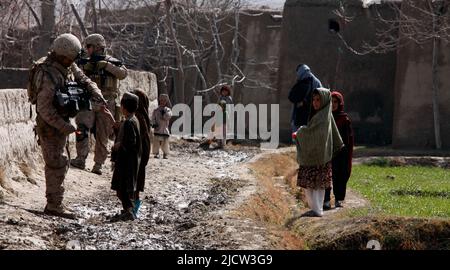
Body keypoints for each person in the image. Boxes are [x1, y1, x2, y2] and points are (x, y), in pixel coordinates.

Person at [31, 33, 106, 219]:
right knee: (56, 163)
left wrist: (94, 91)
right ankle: (54, 205)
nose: (72, 61)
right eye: (70, 58)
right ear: (62, 55)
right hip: (50, 125)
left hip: (61, 120)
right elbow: (44, 109)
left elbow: (82, 77)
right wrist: (66, 127)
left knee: (62, 161)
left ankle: (56, 202)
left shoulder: (66, 63)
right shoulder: (47, 73)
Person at [71, 33, 128, 175]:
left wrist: (107, 66)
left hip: (106, 102)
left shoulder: (112, 62)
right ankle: (80, 159)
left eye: (89, 46)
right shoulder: (85, 62)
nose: (87, 49)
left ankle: (98, 164)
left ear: (97, 47)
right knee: (82, 130)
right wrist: (86, 67)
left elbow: (123, 74)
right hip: (88, 101)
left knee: (102, 134)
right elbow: (77, 76)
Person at [294, 88, 343, 217]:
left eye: (318, 100)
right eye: (314, 100)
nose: (315, 103)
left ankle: (317, 209)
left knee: (318, 186)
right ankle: (315, 208)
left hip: (320, 158)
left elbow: (315, 133)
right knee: (311, 185)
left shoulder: (323, 117)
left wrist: (300, 132)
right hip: (316, 156)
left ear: (324, 101)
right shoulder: (322, 115)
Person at [110, 92, 141, 221]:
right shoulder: (133, 120)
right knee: (124, 187)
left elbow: (130, 142)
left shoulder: (129, 122)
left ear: (123, 106)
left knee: (123, 188)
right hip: (130, 161)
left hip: (126, 162)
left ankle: (129, 212)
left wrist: (118, 146)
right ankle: (127, 210)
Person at [324, 91, 354, 209]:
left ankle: (339, 199)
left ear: (340, 103)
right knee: (325, 176)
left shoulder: (344, 120)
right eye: (331, 102)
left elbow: (348, 139)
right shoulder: (325, 118)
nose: (333, 104)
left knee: (339, 175)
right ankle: (325, 200)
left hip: (340, 154)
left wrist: (345, 153)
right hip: (327, 152)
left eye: (335, 102)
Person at [131, 89, 151, 216]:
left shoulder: (138, 118)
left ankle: (133, 208)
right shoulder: (143, 116)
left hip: (137, 157)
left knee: (134, 184)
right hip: (140, 157)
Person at [288, 64, 322, 134]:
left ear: (300, 71)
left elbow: (292, 97)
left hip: (302, 116)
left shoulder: (302, 82)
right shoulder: (317, 81)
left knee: (301, 138)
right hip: (313, 116)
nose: (297, 75)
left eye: (297, 72)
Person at [199, 85, 233, 149]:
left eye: (225, 91)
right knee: (218, 130)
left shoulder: (229, 98)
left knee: (224, 131)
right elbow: (217, 105)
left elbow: (230, 107)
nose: (224, 93)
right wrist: (215, 111)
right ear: (221, 92)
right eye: (223, 91)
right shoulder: (220, 97)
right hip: (219, 115)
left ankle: (223, 144)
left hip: (226, 114)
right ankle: (218, 142)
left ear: (228, 92)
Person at [151, 94, 172, 159]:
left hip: (164, 129)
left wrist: (164, 113)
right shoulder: (156, 110)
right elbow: (153, 118)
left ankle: (165, 154)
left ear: (166, 102)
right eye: (161, 100)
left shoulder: (168, 110)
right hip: (157, 129)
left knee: (165, 142)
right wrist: (154, 123)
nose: (162, 102)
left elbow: (168, 116)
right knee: (156, 142)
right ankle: (156, 153)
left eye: (164, 101)